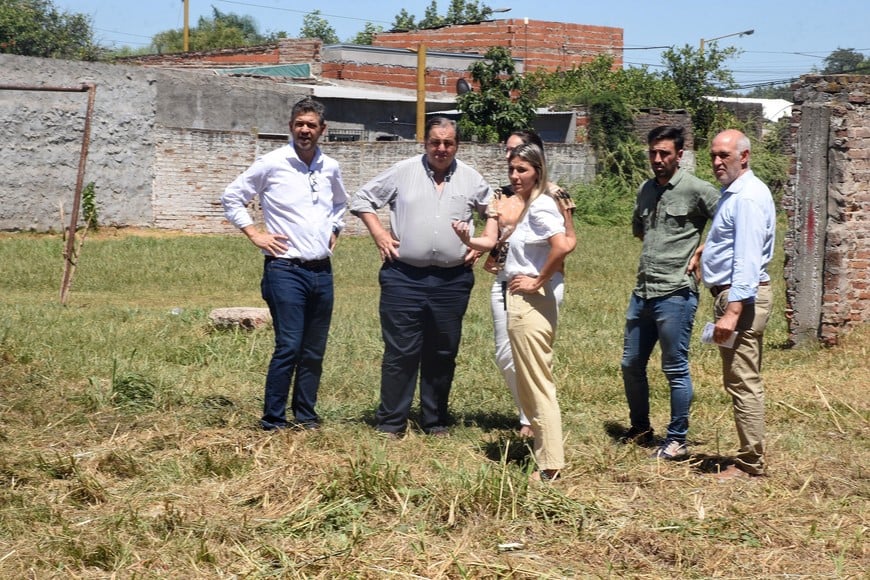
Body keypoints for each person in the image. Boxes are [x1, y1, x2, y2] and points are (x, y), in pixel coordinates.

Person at [349, 117, 493, 438]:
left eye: (448, 143)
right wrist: (380, 235)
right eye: (435, 142)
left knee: (442, 352)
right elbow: (361, 199)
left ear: (458, 146)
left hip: (452, 281)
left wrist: (481, 245)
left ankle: (435, 421)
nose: (441, 148)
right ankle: (391, 423)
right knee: (401, 352)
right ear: (425, 143)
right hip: (404, 278)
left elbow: (495, 212)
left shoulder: (471, 178)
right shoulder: (403, 172)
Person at [221, 97, 347, 431]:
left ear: (323, 129)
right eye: (299, 124)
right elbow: (231, 196)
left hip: (321, 271)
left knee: (314, 349)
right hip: (285, 270)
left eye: (311, 125)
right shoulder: (272, 162)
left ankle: (306, 416)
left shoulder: (329, 167)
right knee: (290, 345)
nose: (305, 130)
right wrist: (253, 233)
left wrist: (336, 228)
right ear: (291, 127)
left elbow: (340, 203)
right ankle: (273, 420)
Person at [454, 142, 573, 481]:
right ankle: (544, 456)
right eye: (512, 170)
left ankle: (550, 466)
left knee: (537, 383)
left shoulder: (541, 206)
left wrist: (538, 280)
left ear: (538, 170)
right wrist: (467, 240)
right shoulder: (530, 206)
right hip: (519, 298)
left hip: (530, 301)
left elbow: (563, 244)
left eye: (523, 170)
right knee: (530, 380)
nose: (515, 175)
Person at [620, 125, 721, 460]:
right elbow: (640, 229)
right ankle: (640, 429)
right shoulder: (646, 189)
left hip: (676, 292)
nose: (658, 159)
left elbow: (729, 219)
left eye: (665, 153)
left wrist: (702, 249)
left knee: (675, 368)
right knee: (631, 363)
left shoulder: (696, 189)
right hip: (643, 290)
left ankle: (677, 440)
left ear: (680, 155)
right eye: (653, 153)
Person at [486, 130, 576, 438]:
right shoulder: (502, 194)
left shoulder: (552, 195)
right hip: (506, 278)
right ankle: (529, 410)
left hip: (541, 280)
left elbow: (568, 240)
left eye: (519, 154)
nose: (512, 161)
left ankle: (534, 419)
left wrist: (541, 277)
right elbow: (497, 236)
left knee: (533, 353)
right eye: (509, 153)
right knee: (504, 353)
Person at [701, 129, 776, 480]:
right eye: (714, 155)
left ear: (743, 157)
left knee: (743, 382)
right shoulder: (735, 193)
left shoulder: (746, 197)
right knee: (739, 380)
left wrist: (732, 311)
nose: (717, 162)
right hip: (734, 295)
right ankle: (749, 456)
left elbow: (746, 258)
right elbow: (733, 243)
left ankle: (750, 464)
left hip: (740, 299)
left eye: (724, 156)